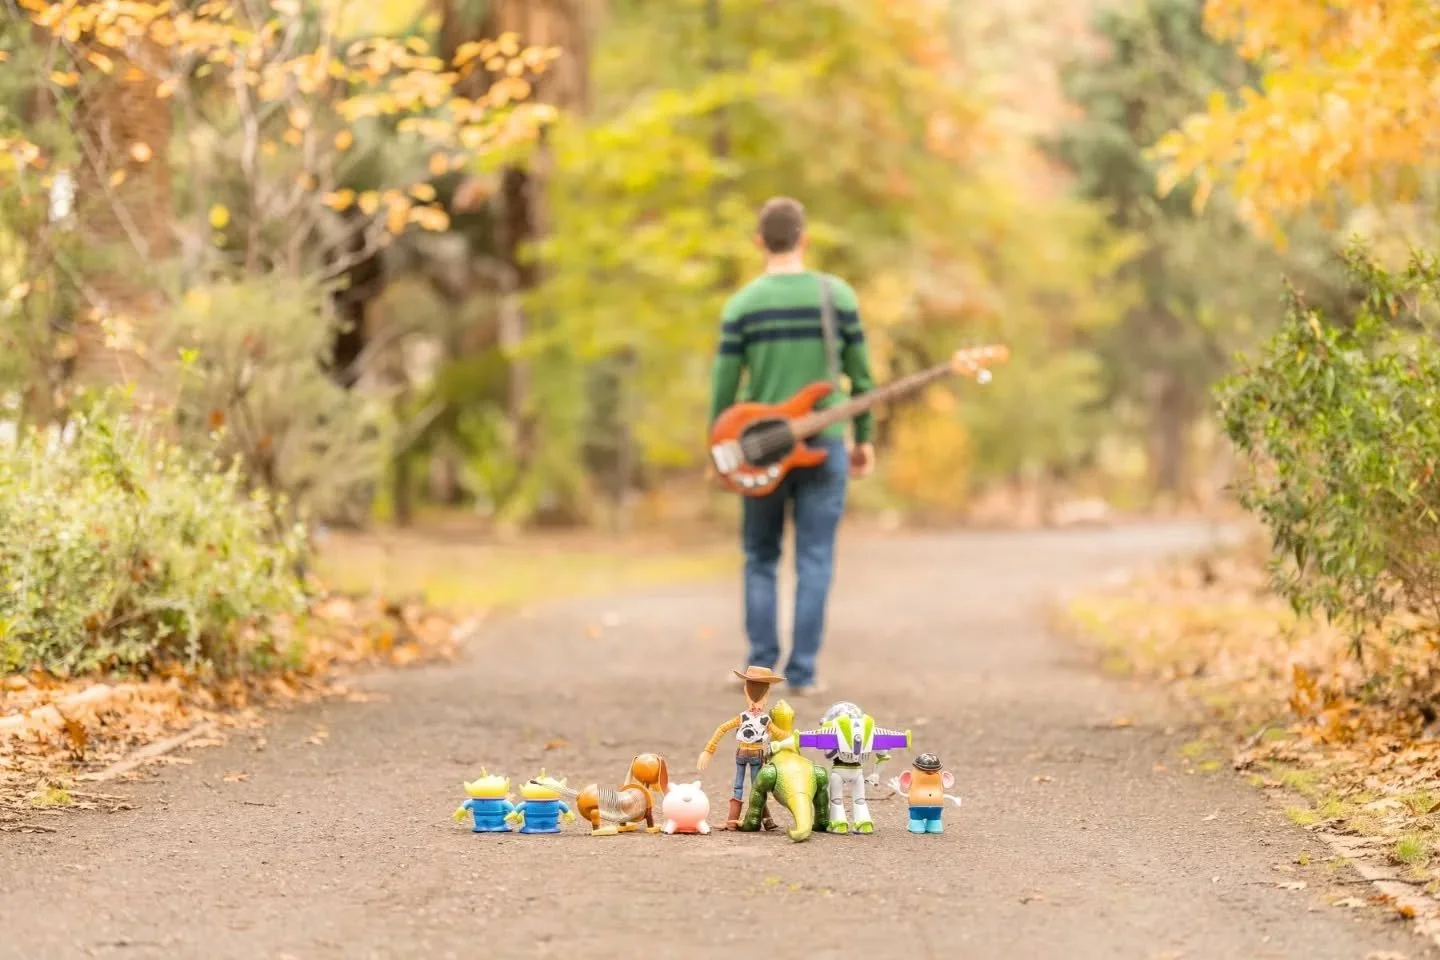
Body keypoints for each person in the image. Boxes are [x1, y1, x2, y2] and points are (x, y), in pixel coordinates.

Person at [707, 196, 875, 697]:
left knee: (760, 555)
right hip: (824, 443)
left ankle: (759, 671)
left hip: (757, 450)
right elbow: (863, 379)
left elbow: (723, 390)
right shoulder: (837, 297)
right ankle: (802, 673)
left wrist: (719, 448)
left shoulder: (742, 305)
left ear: (760, 242)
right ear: (804, 238)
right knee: (815, 558)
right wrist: (863, 439)